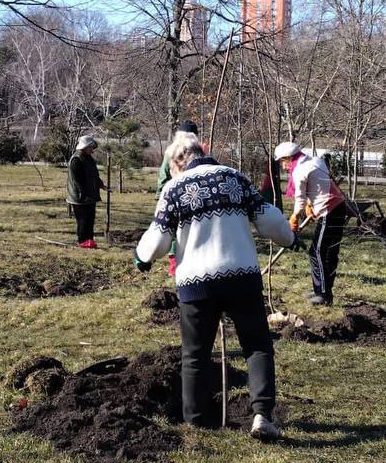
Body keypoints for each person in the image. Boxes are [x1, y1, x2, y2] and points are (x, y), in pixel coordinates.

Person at [135, 139, 296, 441]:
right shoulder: (235, 178)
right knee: (257, 346)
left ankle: (196, 422)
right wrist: (289, 238)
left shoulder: (174, 189)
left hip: (197, 284)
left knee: (195, 354)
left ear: (178, 162)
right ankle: (261, 414)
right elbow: (269, 219)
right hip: (242, 278)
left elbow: (157, 241)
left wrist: (141, 257)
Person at [274, 142, 349, 307]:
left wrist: (294, 217)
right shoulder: (316, 161)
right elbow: (318, 186)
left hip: (328, 211)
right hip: (339, 207)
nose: (283, 166)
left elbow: (299, 199)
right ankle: (322, 290)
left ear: (289, 158)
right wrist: (311, 203)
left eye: (282, 162)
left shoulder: (300, 170)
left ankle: (323, 294)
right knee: (330, 252)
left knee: (316, 252)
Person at [157, 123, 200, 277]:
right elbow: (164, 176)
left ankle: (189, 261)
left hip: (193, 196)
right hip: (176, 196)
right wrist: (163, 196)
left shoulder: (198, 153)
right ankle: (174, 264)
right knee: (175, 231)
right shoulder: (172, 152)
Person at [66, 135, 105, 248]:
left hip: (90, 195)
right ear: (85, 147)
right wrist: (84, 194)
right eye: (91, 147)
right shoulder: (76, 160)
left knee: (90, 219)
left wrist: (101, 185)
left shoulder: (89, 158)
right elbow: (78, 181)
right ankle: (82, 241)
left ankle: (89, 240)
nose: (92, 150)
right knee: (83, 220)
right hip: (80, 197)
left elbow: (94, 175)